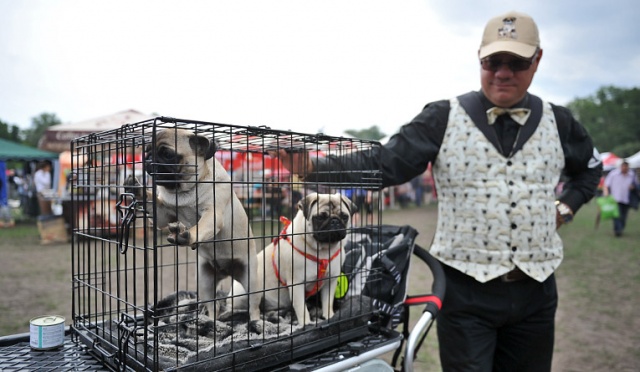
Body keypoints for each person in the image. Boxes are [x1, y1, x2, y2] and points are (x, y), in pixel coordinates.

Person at [276, 11, 602, 371]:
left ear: (537, 60)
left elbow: (589, 171)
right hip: (465, 292)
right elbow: (385, 162)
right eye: (493, 61)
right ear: (480, 57)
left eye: (517, 62)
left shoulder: (561, 122)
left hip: (536, 293)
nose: (503, 72)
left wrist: (565, 208)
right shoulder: (443, 117)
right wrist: (313, 168)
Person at [603, 161, 637, 237]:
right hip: (615, 198)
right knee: (617, 215)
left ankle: (620, 228)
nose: (625, 168)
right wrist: (606, 193)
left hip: (626, 199)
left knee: (624, 216)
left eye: (626, 167)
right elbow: (606, 184)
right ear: (621, 167)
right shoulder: (613, 174)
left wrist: (633, 187)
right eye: (623, 166)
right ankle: (618, 230)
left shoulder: (632, 175)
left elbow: (636, 185)